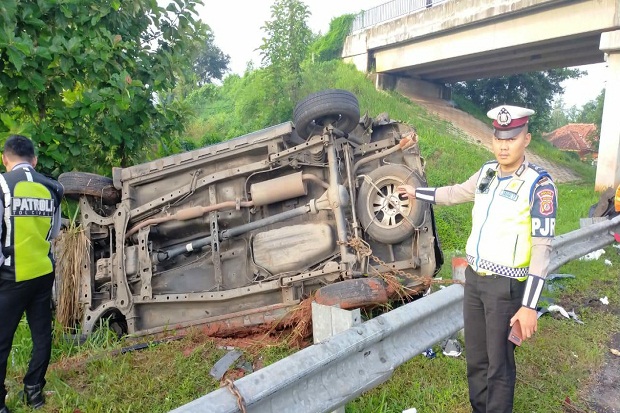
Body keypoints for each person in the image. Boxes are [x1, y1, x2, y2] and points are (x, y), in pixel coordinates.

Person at [398, 105, 557, 413]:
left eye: (512, 138)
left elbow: (542, 249)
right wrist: (417, 193)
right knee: (476, 360)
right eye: (499, 138)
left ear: (527, 139)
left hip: (506, 287)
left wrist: (529, 307)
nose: (504, 145)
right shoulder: (487, 173)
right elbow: (455, 193)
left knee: (498, 365)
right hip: (474, 282)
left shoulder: (538, 185)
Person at [0, 135, 63, 412]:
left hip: (10, 277)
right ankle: (34, 392)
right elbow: (55, 232)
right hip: (42, 273)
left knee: (2, 340)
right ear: (34, 160)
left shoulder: (2, 184)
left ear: (5, 158)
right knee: (42, 336)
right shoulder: (53, 187)